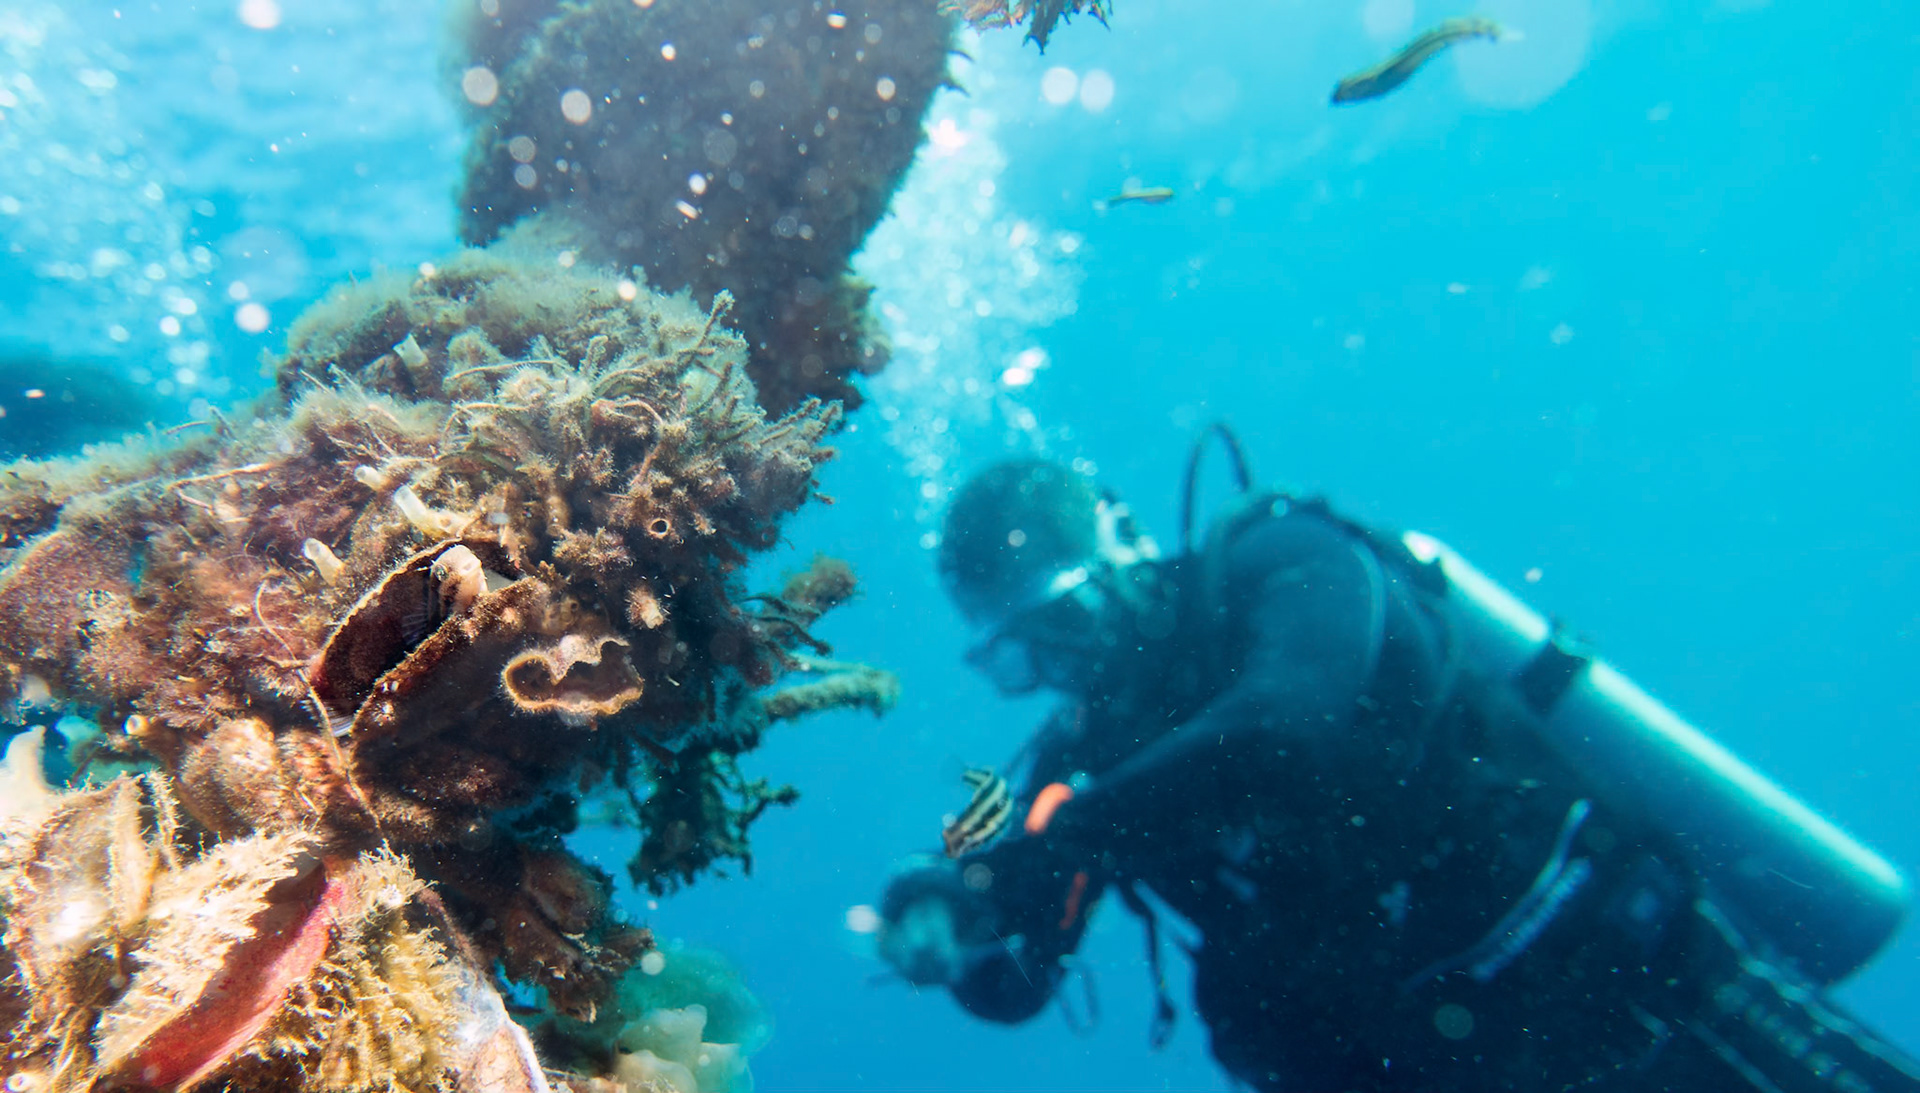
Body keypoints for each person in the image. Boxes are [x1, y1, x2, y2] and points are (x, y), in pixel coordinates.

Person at [876, 430, 1920, 1092]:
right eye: (1017, 657)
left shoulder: (1279, 557)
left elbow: (1290, 720)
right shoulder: (1088, 761)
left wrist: (1070, 829)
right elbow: (1017, 984)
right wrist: (958, 916)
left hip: (1630, 990)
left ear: (1122, 535)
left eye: (1064, 619)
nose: (1063, 667)